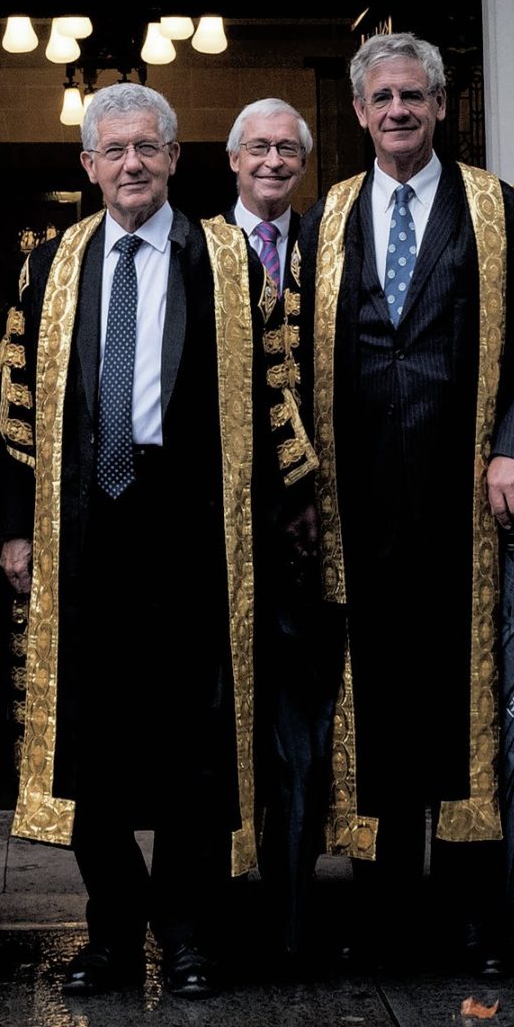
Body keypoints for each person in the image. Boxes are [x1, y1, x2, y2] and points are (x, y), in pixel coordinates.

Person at [0, 86, 319, 996]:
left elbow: (277, 384)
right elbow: (16, 402)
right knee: (92, 734)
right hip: (86, 521)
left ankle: (187, 932)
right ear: (88, 165)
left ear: (178, 159)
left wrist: (291, 499)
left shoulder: (225, 257)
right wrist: (17, 526)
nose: (132, 165)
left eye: (149, 149)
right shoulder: (51, 261)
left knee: (196, 737)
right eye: (114, 151)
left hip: (194, 522)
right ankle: (110, 930)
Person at [300, 32, 514, 975]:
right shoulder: (326, 216)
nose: (399, 111)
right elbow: (288, 361)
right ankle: (382, 916)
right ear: (361, 111)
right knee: (376, 702)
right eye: (382, 98)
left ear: (443, 106)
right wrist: (301, 484)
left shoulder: (496, 208)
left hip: (465, 498)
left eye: (415, 96)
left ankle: (469, 914)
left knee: (466, 704)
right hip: (357, 496)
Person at [227, 97, 336, 966]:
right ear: (232, 160)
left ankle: (295, 918)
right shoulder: (196, 249)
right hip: (219, 540)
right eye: (257, 148)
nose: (272, 161)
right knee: (221, 730)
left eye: (287, 149)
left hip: (316, 542)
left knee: (299, 735)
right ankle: (221, 905)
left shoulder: (330, 250)